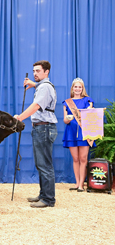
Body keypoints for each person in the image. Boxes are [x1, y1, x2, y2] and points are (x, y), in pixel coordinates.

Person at [14, 60, 58, 208]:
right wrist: (34, 84)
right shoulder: (42, 86)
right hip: (42, 128)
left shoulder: (45, 87)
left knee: (44, 165)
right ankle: (44, 195)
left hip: (44, 128)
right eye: (34, 71)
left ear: (47, 72)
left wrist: (20, 117)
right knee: (42, 164)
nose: (35, 73)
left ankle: (48, 199)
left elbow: (36, 106)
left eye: (38, 71)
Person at [62, 77, 95, 192]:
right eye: (75, 87)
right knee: (75, 158)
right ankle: (77, 183)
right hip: (71, 132)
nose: (77, 89)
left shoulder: (88, 100)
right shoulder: (67, 102)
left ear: (82, 88)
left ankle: (82, 184)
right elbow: (64, 120)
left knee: (83, 158)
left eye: (79, 87)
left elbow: (90, 113)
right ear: (72, 88)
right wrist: (68, 119)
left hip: (84, 131)